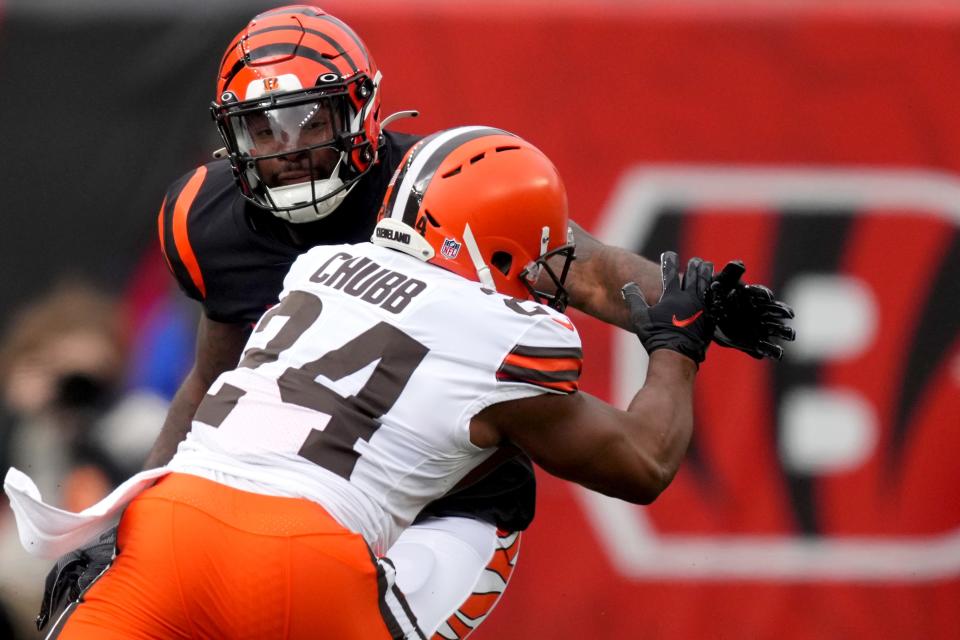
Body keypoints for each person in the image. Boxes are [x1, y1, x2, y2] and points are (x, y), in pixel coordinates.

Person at [34, 5, 794, 638]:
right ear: (232, 138)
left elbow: (576, 263)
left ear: (361, 111)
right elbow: (214, 376)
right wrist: (680, 338)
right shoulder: (209, 221)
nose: (291, 149)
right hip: (301, 524)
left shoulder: (395, 210)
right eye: (265, 129)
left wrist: (127, 522)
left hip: (352, 497)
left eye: (310, 120)